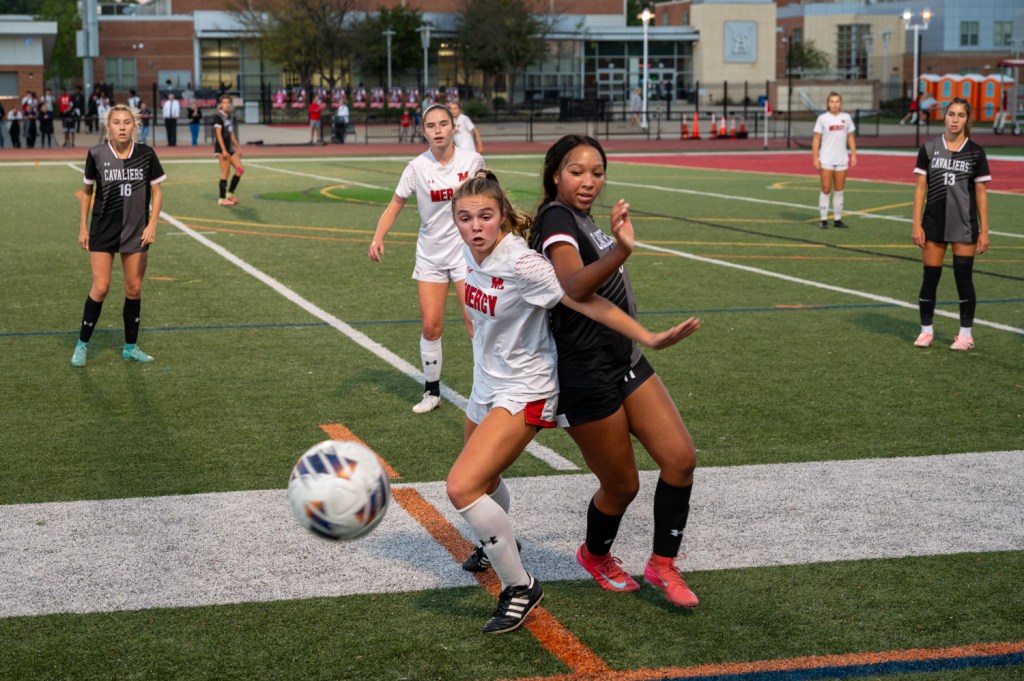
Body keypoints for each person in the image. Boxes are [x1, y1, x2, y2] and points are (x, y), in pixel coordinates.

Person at [447, 169, 699, 634]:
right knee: (483, 484)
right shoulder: (466, 251)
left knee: (461, 487)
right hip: (486, 384)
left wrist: (649, 337)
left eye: (486, 216)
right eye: (465, 218)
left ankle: (520, 587)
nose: (476, 226)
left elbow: (586, 300)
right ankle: (493, 541)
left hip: (526, 389)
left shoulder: (523, 265)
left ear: (502, 217)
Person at [515, 134, 703, 608]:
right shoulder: (556, 218)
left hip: (627, 362)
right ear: (555, 172)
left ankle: (663, 565)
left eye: (597, 172)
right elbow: (574, 286)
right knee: (622, 486)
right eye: (577, 171)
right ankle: (595, 555)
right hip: (587, 375)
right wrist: (621, 250)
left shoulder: (583, 218)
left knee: (680, 459)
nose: (588, 181)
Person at [368, 104, 484, 414]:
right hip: (431, 256)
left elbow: (488, 203)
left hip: (465, 255)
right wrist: (378, 237)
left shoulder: (472, 162)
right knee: (431, 325)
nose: (437, 130)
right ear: (423, 131)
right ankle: (432, 392)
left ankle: (487, 389)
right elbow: (394, 205)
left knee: (475, 323)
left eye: (443, 124)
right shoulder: (416, 168)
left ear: (452, 127)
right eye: (431, 125)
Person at [71, 104, 166, 368]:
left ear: (134, 125)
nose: (122, 127)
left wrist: (153, 225)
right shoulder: (97, 154)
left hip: (136, 231)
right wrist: (82, 226)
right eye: (116, 122)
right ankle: (82, 345)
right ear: (108, 126)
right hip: (103, 230)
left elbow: (157, 192)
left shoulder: (146, 154)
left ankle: (130, 347)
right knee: (100, 287)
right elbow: (87, 191)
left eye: (127, 122)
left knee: (134, 289)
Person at [911, 97, 991, 352]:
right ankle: (926, 331)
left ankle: (965, 335)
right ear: (943, 116)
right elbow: (920, 189)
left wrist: (985, 230)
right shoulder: (929, 148)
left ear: (968, 120)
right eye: (951, 114)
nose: (955, 120)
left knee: (963, 279)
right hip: (933, 223)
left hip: (964, 225)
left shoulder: (976, 152)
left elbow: (980, 193)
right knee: (930, 278)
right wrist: (916, 224)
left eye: (961, 115)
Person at [811, 91, 857, 229]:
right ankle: (823, 219)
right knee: (826, 188)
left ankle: (837, 219)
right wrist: (815, 157)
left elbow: (850, 136)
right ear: (828, 103)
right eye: (832, 101)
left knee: (839, 189)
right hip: (826, 158)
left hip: (842, 158)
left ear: (840, 103)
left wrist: (853, 154)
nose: (834, 104)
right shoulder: (822, 118)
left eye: (837, 101)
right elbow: (816, 138)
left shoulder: (846, 118)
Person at [213, 95, 244, 207]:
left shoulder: (229, 117)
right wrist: (224, 150)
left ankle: (230, 193)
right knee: (225, 173)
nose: (226, 104)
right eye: (224, 102)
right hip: (222, 150)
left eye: (228, 102)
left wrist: (238, 148)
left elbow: (231, 135)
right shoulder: (218, 117)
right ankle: (221, 199)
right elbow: (218, 135)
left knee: (240, 170)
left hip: (230, 149)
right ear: (221, 104)